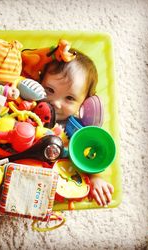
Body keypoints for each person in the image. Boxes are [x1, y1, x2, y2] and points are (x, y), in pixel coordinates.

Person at [40, 49, 114, 207]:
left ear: (85, 102)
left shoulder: (79, 131)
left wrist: (94, 178)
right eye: (49, 90)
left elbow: (92, 154)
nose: (56, 103)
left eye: (70, 98)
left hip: (59, 184)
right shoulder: (27, 106)